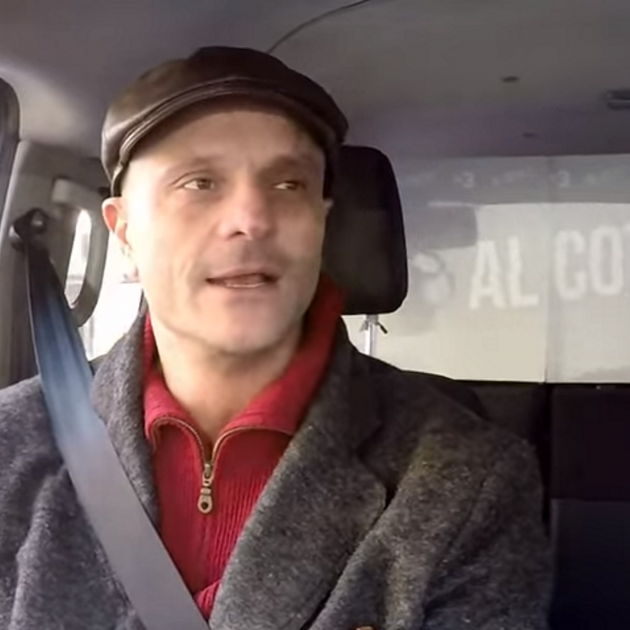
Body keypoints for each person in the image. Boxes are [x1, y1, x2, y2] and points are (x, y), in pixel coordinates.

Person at [0, 46, 551, 629]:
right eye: (199, 182)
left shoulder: (466, 479)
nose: (252, 218)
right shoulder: (10, 446)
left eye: (289, 184)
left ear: (321, 223)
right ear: (125, 233)